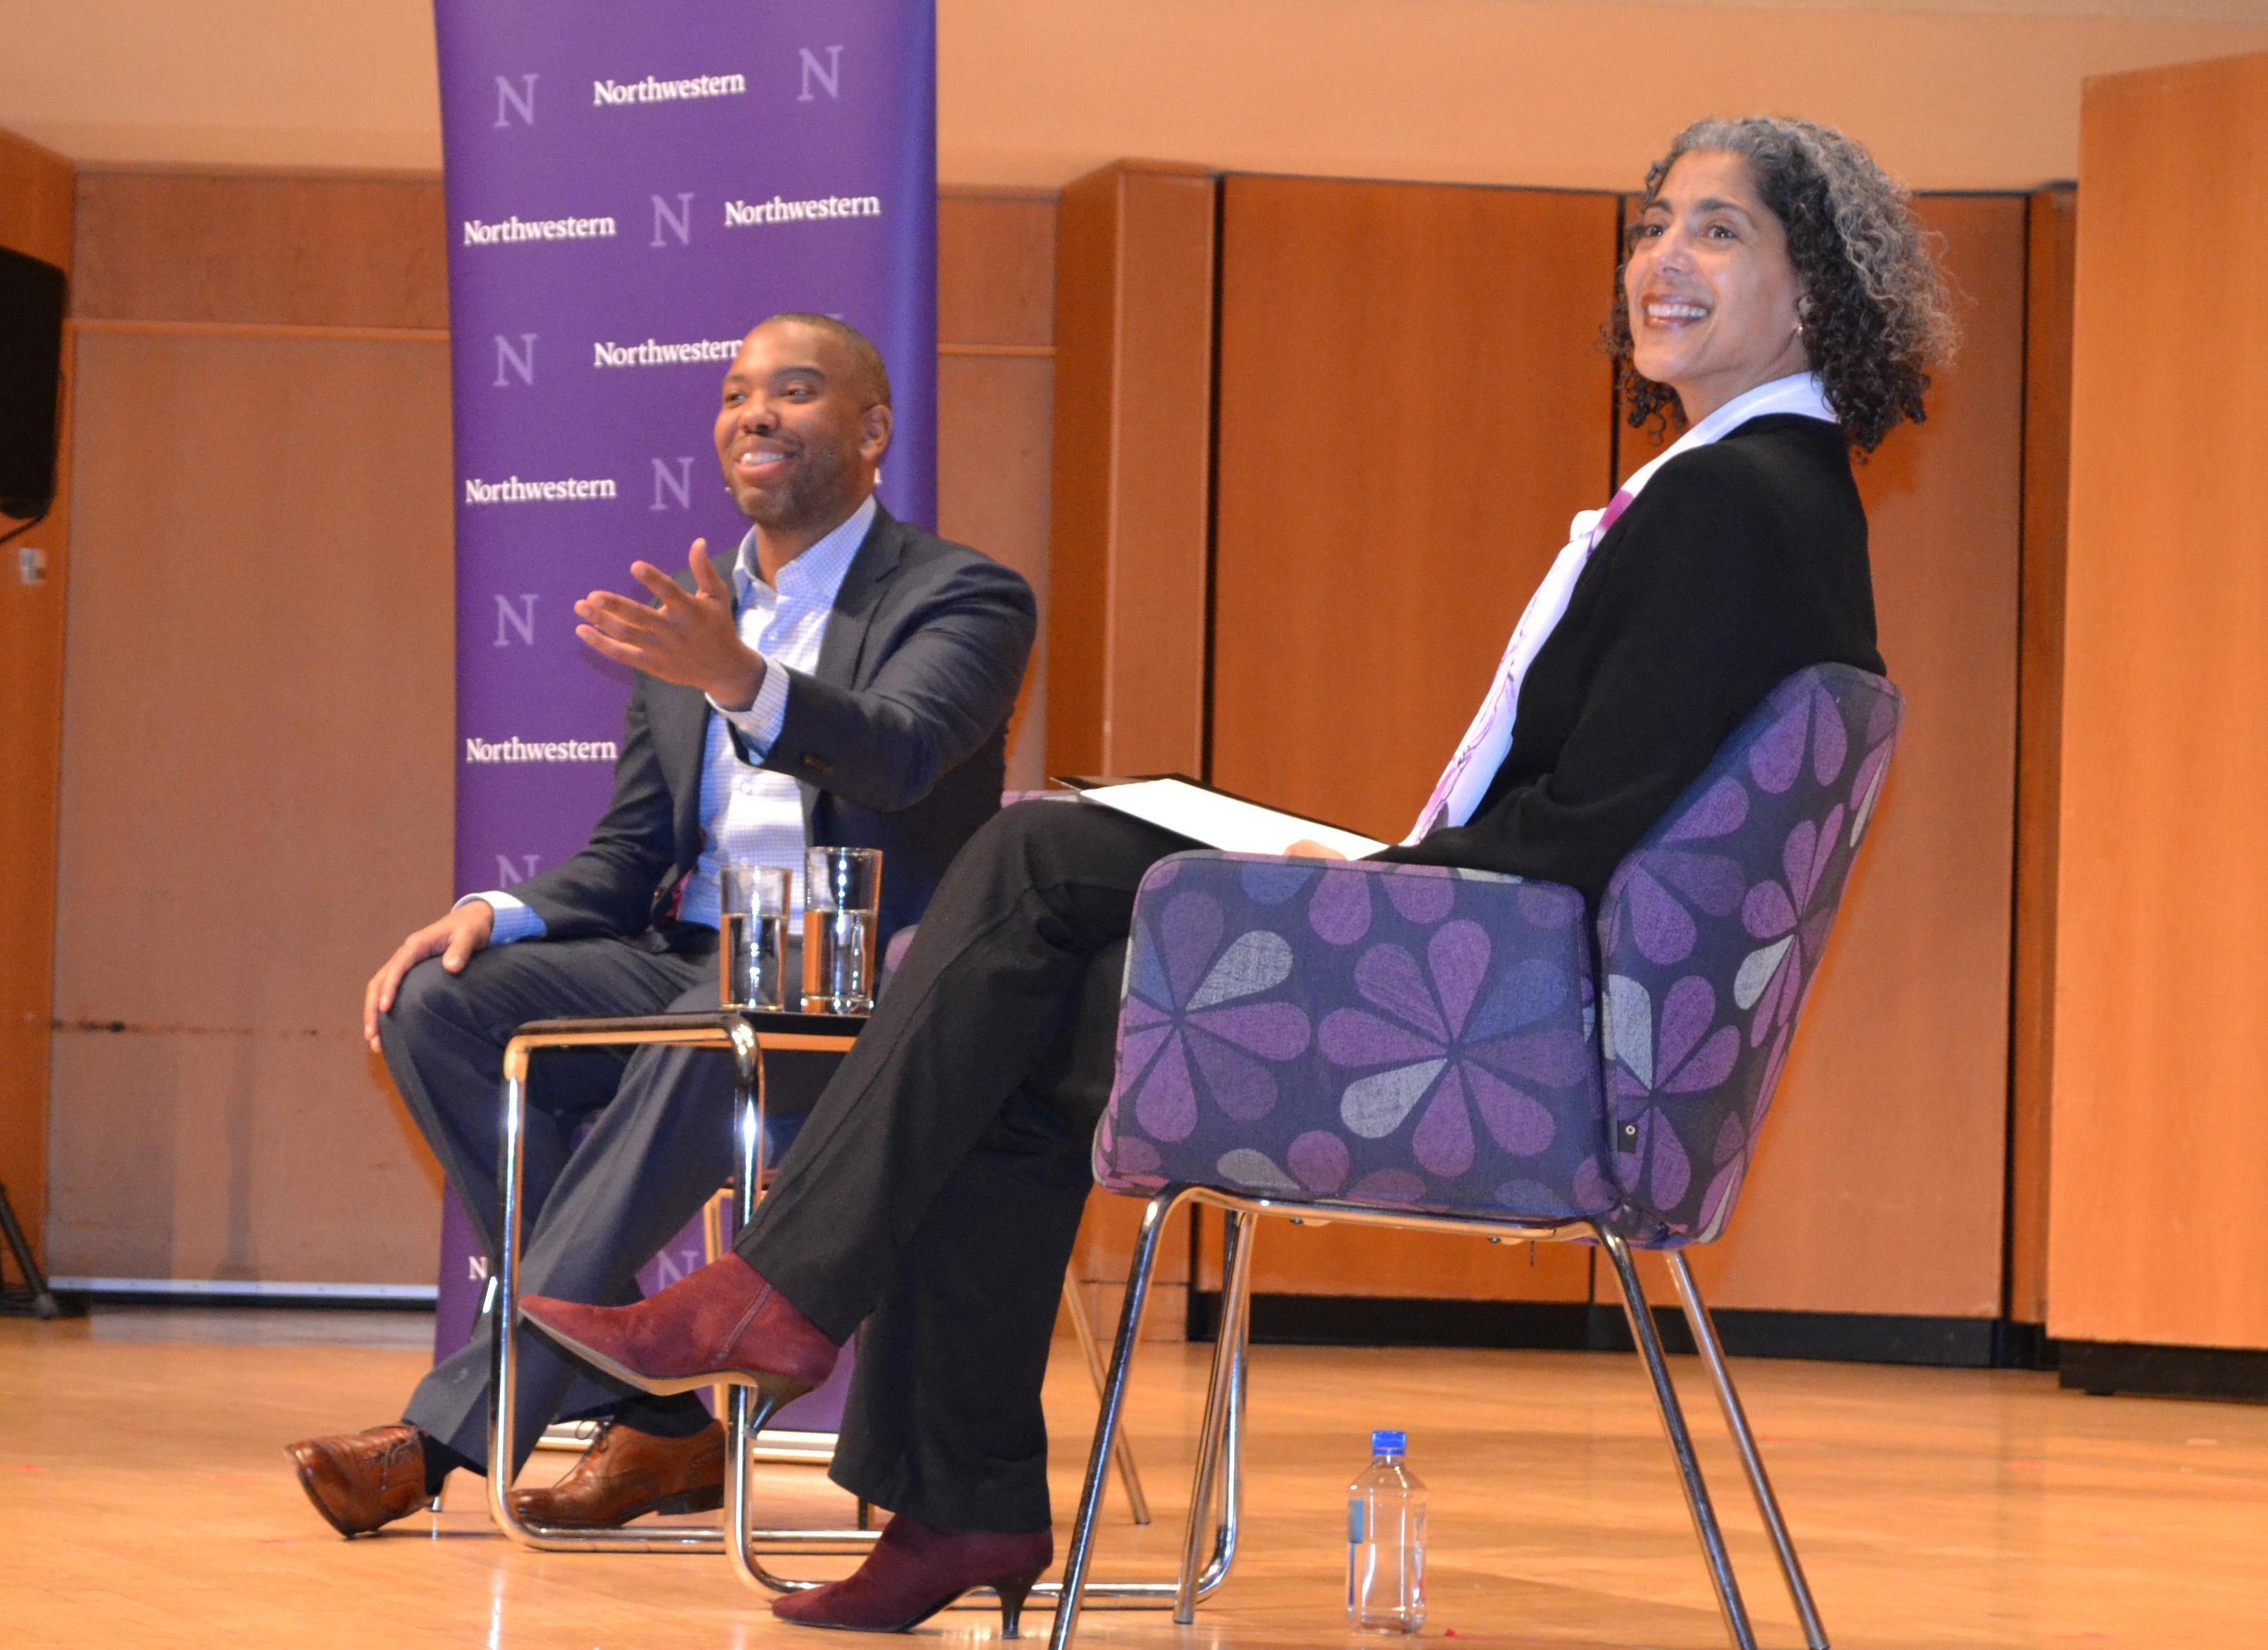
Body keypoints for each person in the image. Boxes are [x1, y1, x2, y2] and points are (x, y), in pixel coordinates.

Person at [522, 116, 1955, 1634]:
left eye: (1720, 232)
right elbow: (1597, 812)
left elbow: (1581, 832)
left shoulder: (1743, 500)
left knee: (1030, 854)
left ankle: (786, 1303)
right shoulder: (1752, 486)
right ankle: (955, 1504)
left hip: (1508, 1014)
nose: (1665, 259)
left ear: (1817, 292)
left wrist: (1372, 883)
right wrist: (1367, 872)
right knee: (999, 1022)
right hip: (1517, 978)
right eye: (1656, 223)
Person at [283, 314, 1037, 1538]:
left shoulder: (962, 595)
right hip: (689, 957)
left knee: (708, 1030)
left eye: (795, 391)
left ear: (872, 430)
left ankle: (442, 1438)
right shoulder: (690, 614)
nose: (756, 414)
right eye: (738, 393)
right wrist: (493, 909)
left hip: (857, 983)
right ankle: (668, 1424)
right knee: (441, 1007)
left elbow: (901, 754)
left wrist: (738, 676)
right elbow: (631, 855)